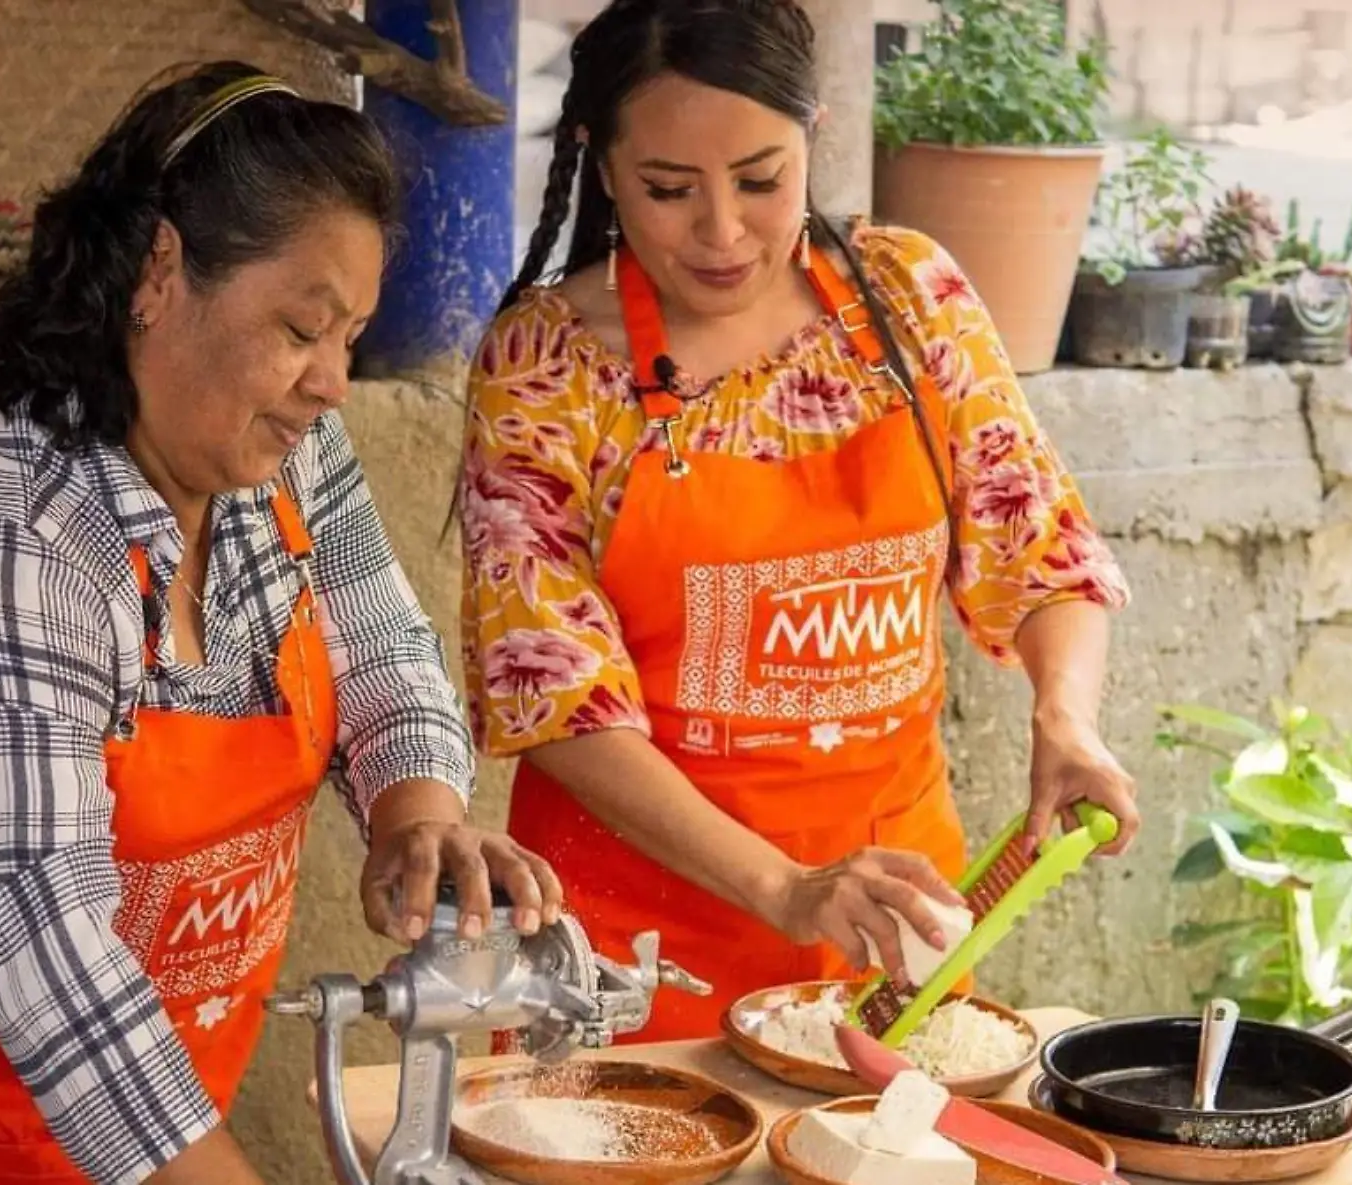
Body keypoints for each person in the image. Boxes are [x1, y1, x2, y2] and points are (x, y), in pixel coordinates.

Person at [0, 61, 562, 1185]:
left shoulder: (283, 447)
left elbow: (383, 647)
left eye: (352, 337)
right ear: (158, 270)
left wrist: (417, 810)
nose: (334, 384)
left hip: (133, 1077)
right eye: (303, 327)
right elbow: (41, 959)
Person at [457, 0, 1138, 1045]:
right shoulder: (545, 364)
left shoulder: (910, 298)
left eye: (761, 179)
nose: (722, 232)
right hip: (628, 958)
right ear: (599, 163)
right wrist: (783, 888)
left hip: (891, 940)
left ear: (811, 135)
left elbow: (1038, 543)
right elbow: (550, 694)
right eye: (669, 189)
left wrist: (1064, 715)